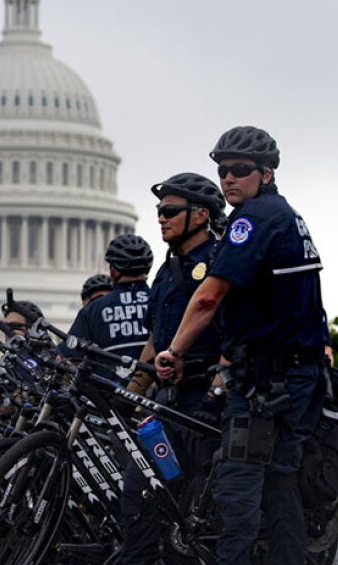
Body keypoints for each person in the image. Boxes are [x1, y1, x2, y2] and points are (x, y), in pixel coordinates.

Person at [154, 126, 329, 565]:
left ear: (265, 173)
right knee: (280, 483)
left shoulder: (252, 220)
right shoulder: (288, 216)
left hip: (266, 382)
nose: (228, 178)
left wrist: (172, 352)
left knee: (236, 487)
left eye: (239, 170)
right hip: (297, 373)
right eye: (223, 170)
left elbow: (210, 296)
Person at [118, 173, 227, 565]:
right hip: (168, 404)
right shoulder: (167, 271)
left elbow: (235, 329)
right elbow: (155, 338)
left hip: (205, 402)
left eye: (169, 211)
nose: (161, 218)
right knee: (140, 491)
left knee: (197, 510)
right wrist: (134, 388)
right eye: (159, 211)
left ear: (200, 215)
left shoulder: (219, 261)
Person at [64, 233, 153, 382]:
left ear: (112, 272)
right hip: (158, 399)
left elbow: (67, 356)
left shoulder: (93, 310)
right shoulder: (162, 301)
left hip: (107, 400)